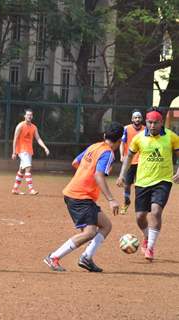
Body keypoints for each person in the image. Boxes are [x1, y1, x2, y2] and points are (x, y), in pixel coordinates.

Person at [44, 122, 123, 272]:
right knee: (90, 233)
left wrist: (85, 173)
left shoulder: (94, 147)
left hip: (80, 195)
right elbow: (99, 175)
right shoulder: (108, 153)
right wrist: (111, 200)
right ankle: (53, 257)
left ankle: (86, 258)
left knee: (106, 226)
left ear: (104, 135)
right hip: (80, 196)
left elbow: (75, 162)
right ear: (119, 141)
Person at [117, 108, 179, 261]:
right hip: (142, 181)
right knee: (140, 217)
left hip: (163, 181)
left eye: (155, 123)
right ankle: (146, 237)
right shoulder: (138, 138)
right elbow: (128, 156)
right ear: (146, 122)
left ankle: (150, 247)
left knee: (156, 211)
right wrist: (122, 175)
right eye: (150, 122)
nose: (152, 126)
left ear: (161, 122)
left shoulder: (171, 137)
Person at [11, 108, 50, 195]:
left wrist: (45, 147)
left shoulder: (34, 127)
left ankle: (15, 189)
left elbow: (38, 139)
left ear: (32, 116)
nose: (29, 116)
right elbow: (15, 139)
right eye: (28, 115)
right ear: (24, 116)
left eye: (31, 115)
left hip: (29, 151)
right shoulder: (20, 126)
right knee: (28, 168)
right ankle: (31, 189)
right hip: (22, 150)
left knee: (21, 170)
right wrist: (14, 152)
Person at [119, 110, 145, 214]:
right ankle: (126, 202)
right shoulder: (126, 129)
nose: (137, 119)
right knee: (127, 185)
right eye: (135, 117)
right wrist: (121, 155)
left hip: (142, 161)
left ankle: (139, 206)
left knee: (140, 185)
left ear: (141, 119)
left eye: (139, 117)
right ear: (132, 119)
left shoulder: (146, 130)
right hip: (129, 161)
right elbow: (122, 143)